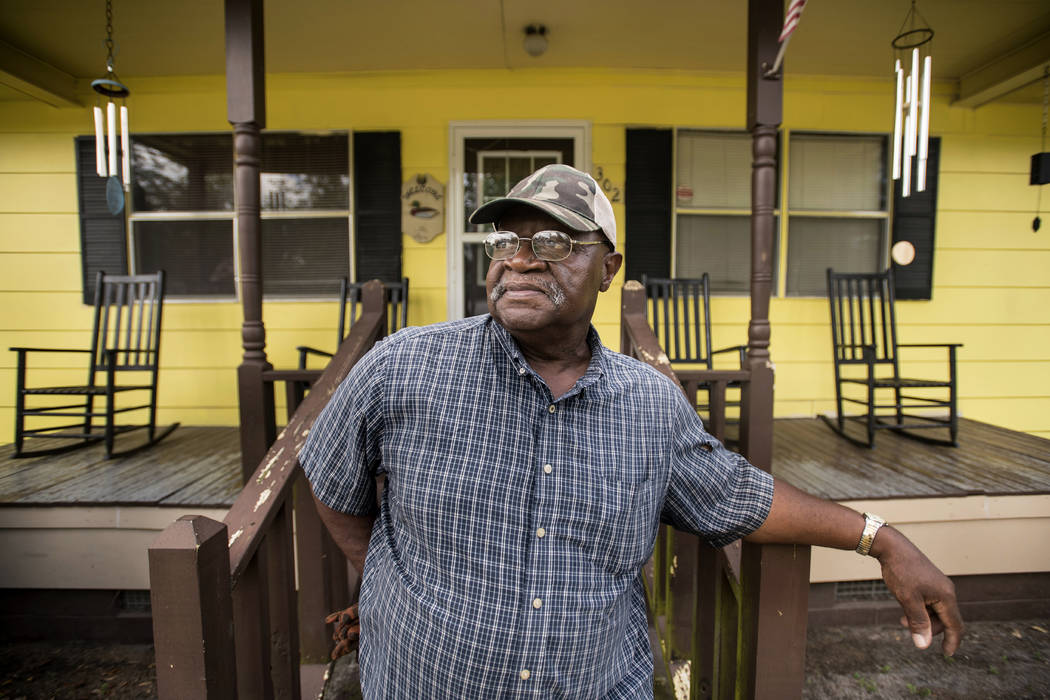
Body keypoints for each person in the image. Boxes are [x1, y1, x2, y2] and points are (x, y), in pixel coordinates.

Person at [300, 164, 963, 698]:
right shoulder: (403, 366)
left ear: (609, 269)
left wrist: (880, 538)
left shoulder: (648, 403)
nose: (520, 260)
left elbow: (736, 495)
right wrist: (396, 582)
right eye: (505, 241)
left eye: (555, 243)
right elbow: (331, 478)